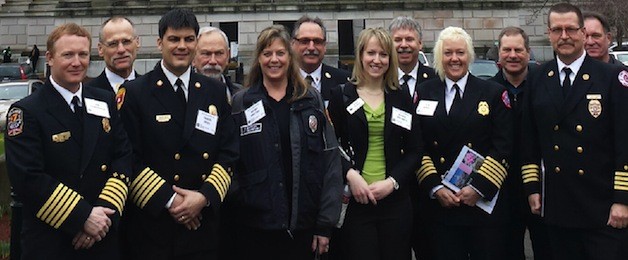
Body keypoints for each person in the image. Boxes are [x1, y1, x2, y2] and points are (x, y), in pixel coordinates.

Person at [118, 8, 238, 259]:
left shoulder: (213, 91)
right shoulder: (135, 93)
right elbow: (127, 156)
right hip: (154, 227)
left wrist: (204, 197)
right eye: (174, 39)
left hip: (203, 226)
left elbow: (228, 153)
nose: (181, 46)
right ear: (160, 42)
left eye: (188, 39)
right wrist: (172, 202)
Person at [4, 22, 132, 259]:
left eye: (83, 54)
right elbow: (27, 178)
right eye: (68, 55)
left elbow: (122, 155)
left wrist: (101, 217)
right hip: (53, 241)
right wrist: (82, 217)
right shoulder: (27, 111)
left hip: (102, 237)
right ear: (50, 58)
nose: (77, 62)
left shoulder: (104, 100)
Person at [521, 3, 628, 260]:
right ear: (549, 33)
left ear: (582, 32)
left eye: (570, 29)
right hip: (558, 206)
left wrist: (623, 199)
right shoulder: (537, 77)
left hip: (602, 208)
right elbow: (530, 139)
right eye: (557, 30)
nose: (564, 36)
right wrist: (532, 187)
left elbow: (625, 142)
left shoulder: (612, 77)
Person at [229, 24, 341, 260]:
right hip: (255, 226)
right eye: (267, 53)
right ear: (258, 58)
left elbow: (329, 160)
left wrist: (324, 224)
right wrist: (244, 199)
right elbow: (231, 162)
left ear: (290, 57)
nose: (274, 60)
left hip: (303, 224)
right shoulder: (242, 103)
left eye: (280, 53)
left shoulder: (311, 99)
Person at [415, 26, 513, 260]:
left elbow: (504, 145)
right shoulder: (424, 92)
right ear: (440, 57)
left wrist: (478, 188)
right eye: (448, 53)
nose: (454, 59)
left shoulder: (493, 93)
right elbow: (417, 145)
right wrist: (435, 187)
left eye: (460, 52)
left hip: (480, 204)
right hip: (440, 204)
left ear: (469, 56)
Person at [326, 27, 422, 260]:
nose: (376, 60)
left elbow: (415, 149)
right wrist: (351, 175)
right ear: (360, 56)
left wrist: (393, 182)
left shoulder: (401, 96)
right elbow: (328, 146)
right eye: (371, 53)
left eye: (383, 54)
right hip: (356, 203)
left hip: (395, 203)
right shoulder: (343, 95)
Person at [489, 26, 552, 260]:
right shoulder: (488, 91)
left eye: (518, 49)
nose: (512, 55)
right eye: (507, 50)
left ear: (528, 52)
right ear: (499, 53)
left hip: (541, 186)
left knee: (547, 249)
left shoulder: (546, 87)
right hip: (502, 191)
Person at [387, 16, 436, 260]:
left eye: (409, 39)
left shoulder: (437, 79)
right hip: (392, 185)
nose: (404, 45)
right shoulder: (378, 81)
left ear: (420, 43)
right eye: (397, 40)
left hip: (430, 185)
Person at [291, 15, 350, 104]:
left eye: (317, 41)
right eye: (305, 41)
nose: (311, 47)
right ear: (292, 44)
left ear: (324, 46)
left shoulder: (344, 82)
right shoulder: (282, 81)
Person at [88, 16, 140, 94]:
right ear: (100, 49)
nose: (121, 50)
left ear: (137, 43)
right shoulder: (87, 93)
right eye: (113, 44)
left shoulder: (151, 89)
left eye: (126, 42)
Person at [193, 26, 241, 102]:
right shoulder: (181, 95)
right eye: (206, 54)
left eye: (219, 53)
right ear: (193, 57)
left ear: (228, 56)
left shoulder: (241, 97)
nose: (213, 61)